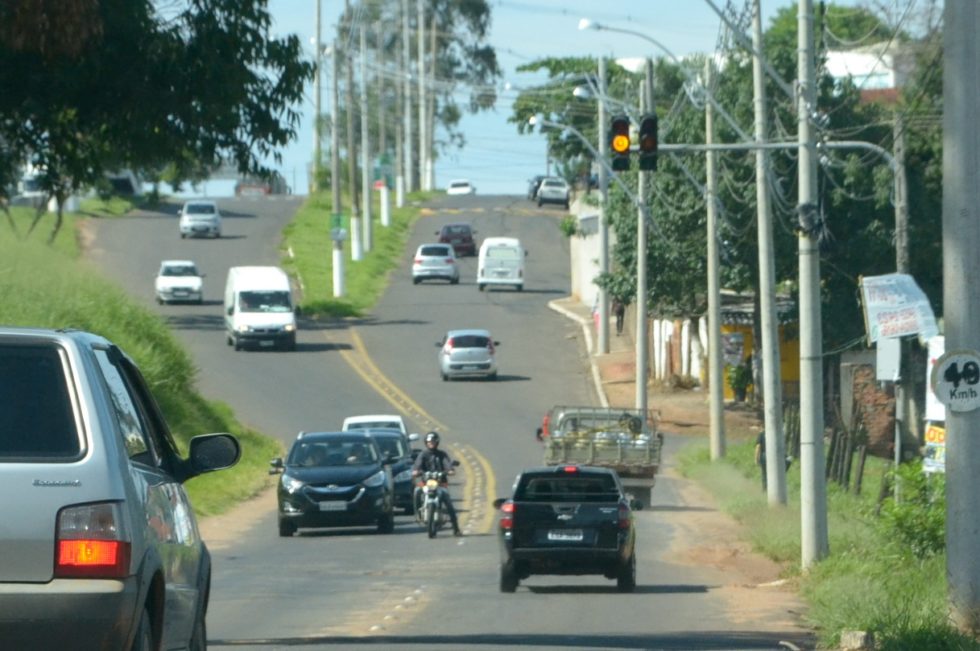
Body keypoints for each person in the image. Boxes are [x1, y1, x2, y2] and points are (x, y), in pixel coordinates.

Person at [412, 431, 462, 536]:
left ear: (437, 442)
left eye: (433, 441)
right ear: (426, 442)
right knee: (416, 491)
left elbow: (448, 466)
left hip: (441, 484)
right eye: (429, 442)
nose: (431, 443)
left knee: (449, 504)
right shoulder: (423, 454)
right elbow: (417, 467)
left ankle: (456, 528)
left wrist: (450, 470)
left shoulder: (442, 454)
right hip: (425, 483)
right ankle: (418, 513)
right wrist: (416, 471)